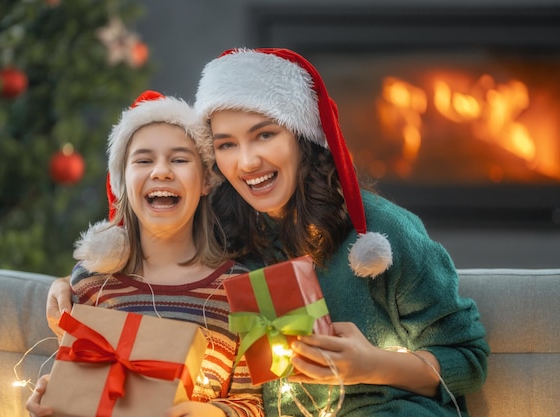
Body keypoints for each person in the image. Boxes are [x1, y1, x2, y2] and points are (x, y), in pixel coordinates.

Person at [46, 49, 490, 416]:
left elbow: (467, 361)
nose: (247, 162)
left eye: (264, 135)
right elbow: (155, 256)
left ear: (301, 136)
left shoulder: (380, 233)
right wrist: (73, 282)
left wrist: (371, 366)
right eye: (226, 145)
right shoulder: (225, 231)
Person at [27, 90, 264, 417]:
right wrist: (52, 403)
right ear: (122, 180)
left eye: (179, 159)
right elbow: (80, 391)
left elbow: (253, 403)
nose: (162, 172)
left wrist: (211, 414)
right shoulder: (92, 284)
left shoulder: (242, 289)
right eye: (143, 160)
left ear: (207, 180)